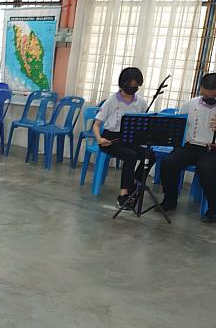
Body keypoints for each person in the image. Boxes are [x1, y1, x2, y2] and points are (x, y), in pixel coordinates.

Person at [160, 73, 216, 223]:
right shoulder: (190, 104)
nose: (208, 98)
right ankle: (170, 199)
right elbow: (178, 126)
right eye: (205, 94)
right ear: (201, 89)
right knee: (169, 163)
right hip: (190, 147)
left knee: (207, 169)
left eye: (212, 96)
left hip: (211, 150)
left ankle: (213, 208)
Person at [93, 67, 150, 209]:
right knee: (130, 156)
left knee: (150, 156)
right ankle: (124, 195)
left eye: (136, 86)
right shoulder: (112, 101)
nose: (133, 89)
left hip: (130, 138)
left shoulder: (141, 102)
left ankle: (135, 183)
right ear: (123, 84)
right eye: (130, 86)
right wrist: (100, 140)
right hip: (110, 139)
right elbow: (96, 124)